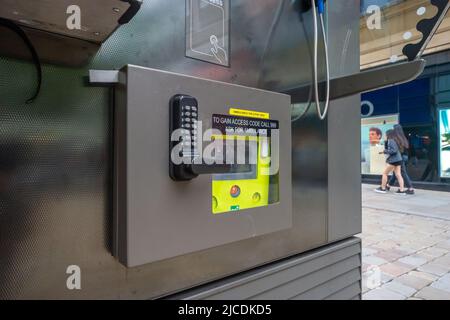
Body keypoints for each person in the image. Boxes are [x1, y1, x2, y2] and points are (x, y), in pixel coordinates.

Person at [375, 129, 407, 195]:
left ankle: (383, 188)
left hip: (394, 161)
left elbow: (393, 150)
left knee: (385, 173)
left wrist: (385, 151)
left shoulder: (391, 140)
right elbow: (394, 150)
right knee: (398, 174)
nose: (385, 135)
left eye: (385, 134)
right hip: (398, 160)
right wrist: (384, 151)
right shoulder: (395, 140)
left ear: (388, 134)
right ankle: (401, 190)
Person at [386, 125, 415, 195]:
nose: (392, 130)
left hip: (400, 157)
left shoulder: (397, 138)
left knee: (402, 172)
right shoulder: (403, 137)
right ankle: (388, 186)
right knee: (396, 173)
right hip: (405, 156)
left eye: (393, 129)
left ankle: (410, 188)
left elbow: (396, 149)